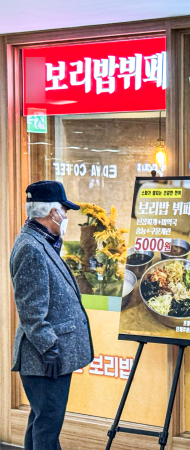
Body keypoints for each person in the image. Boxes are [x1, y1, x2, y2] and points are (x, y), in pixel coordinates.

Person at [11, 181, 94, 450]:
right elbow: (31, 308)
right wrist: (49, 347)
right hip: (44, 359)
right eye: (64, 210)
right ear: (51, 213)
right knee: (47, 426)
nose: (66, 216)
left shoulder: (41, 241)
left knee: (41, 422)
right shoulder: (31, 248)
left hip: (47, 357)